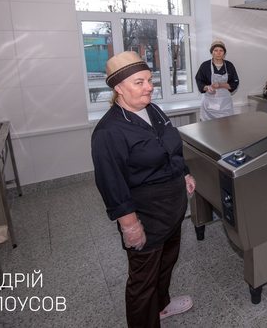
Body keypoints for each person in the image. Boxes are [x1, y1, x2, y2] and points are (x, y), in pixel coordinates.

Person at [91, 51, 196, 328]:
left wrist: (183, 172)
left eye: (149, 80)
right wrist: (130, 226)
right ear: (118, 87)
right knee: (143, 280)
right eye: (139, 82)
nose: (149, 87)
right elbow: (111, 184)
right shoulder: (109, 131)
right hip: (146, 214)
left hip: (172, 208)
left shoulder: (153, 110)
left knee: (166, 262)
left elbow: (171, 147)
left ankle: (161, 306)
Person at [195, 40, 240, 121]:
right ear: (212, 52)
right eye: (216, 50)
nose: (218, 53)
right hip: (209, 106)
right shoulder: (205, 66)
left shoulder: (229, 65)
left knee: (226, 126)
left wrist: (220, 85)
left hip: (225, 105)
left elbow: (235, 83)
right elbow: (199, 81)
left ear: (224, 53)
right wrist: (208, 88)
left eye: (221, 50)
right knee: (208, 128)